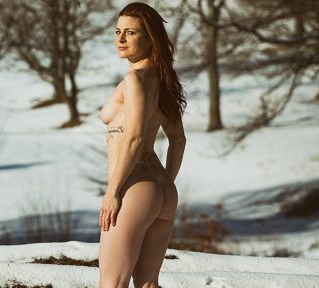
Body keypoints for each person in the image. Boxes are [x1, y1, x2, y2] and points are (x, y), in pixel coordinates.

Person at [97, 2, 187, 288]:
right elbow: (178, 140)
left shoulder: (135, 80)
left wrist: (113, 192)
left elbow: (134, 137)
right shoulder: (163, 83)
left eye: (131, 33)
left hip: (134, 188)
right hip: (162, 190)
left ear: (150, 38)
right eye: (118, 31)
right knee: (148, 284)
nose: (121, 39)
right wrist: (162, 189)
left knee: (111, 282)